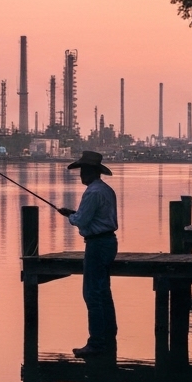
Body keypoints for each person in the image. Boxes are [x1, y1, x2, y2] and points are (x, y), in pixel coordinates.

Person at [57, 150, 118, 358]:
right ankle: (108, 335)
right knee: (103, 291)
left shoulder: (92, 192)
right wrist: (74, 214)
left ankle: (96, 343)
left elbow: (82, 221)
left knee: (92, 293)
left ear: (91, 171)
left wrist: (71, 217)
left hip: (97, 245)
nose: (81, 174)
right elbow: (94, 216)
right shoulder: (106, 190)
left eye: (83, 170)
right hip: (109, 242)